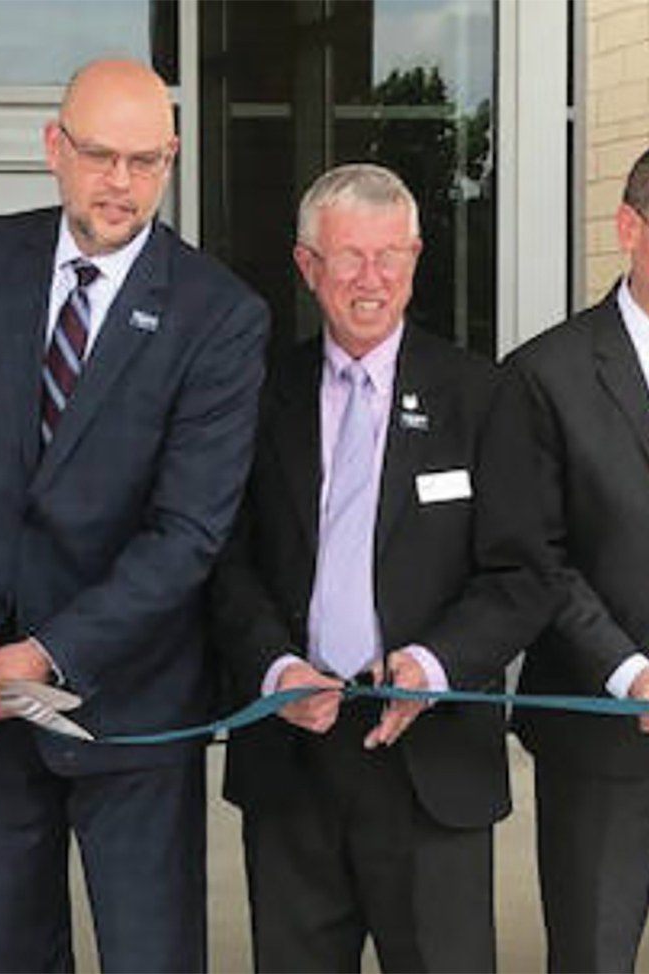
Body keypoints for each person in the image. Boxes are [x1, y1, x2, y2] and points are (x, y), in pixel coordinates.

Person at [0, 57, 270, 972]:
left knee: (150, 956)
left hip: (129, 711)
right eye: (100, 156)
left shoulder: (219, 316)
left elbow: (188, 535)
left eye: (146, 161)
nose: (121, 184)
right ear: (52, 148)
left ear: (171, 159)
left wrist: (52, 653)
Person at [208, 163, 550, 972]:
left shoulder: (483, 395)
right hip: (294, 759)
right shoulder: (258, 394)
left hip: (432, 768)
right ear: (306, 265)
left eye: (389, 256)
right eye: (349, 257)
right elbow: (224, 562)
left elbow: (524, 575)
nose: (371, 280)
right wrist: (275, 665)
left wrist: (432, 663)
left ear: (416, 257)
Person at [509, 146, 649, 973]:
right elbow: (538, 555)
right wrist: (630, 672)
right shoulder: (544, 374)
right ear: (629, 227)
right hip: (602, 745)